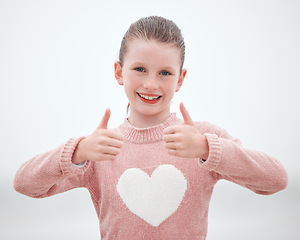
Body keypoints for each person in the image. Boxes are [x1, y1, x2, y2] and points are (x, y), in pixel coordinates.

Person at [14, 16, 288, 239]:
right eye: (140, 69)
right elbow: (25, 184)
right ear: (119, 72)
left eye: (165, 73)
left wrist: (207, 148)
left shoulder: (202, 140)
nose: (151, 84)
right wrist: (77, 151)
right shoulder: (100, 148)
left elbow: (275, 180)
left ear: (180, 79)